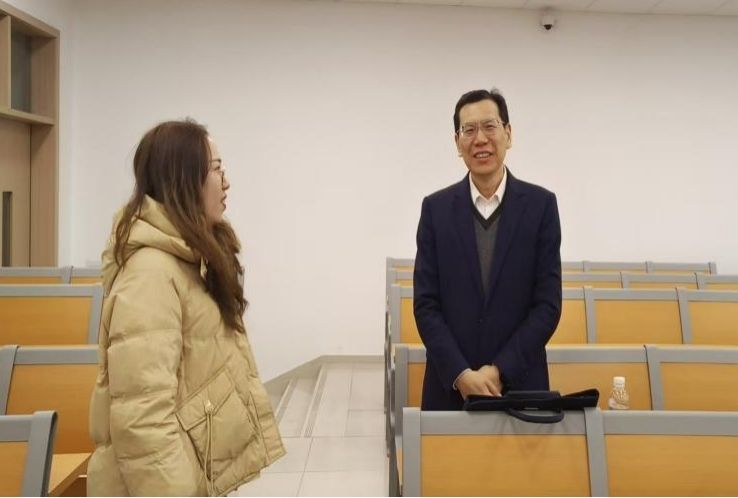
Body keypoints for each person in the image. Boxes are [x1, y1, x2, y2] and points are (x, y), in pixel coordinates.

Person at [87, 119, 285, 496]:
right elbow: (144, 424)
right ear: (184, 178)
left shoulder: (191, 260)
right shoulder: (150, 277)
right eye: (216, 169)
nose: (226, 182)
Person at [413, 88, 562, 410]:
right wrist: (461, 374)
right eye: (468, 130)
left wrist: (499, 370)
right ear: (457, 142)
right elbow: (426, 305)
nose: (480, 139)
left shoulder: (541, 207)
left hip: (521, 386)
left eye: (490, 126)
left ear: (508, 134)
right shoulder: (435, 210)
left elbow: (547, 305)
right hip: (450, 390)